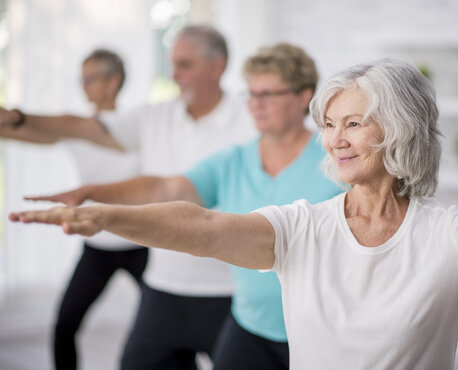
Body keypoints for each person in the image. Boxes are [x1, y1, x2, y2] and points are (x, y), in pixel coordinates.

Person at [9, 58, 458, 370]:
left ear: (401, 128)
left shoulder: (454, 236)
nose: (336, 140)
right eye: (330, 124)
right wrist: (109, 216)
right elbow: (202, 226)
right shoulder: (302, 227)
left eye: (355, 123)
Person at [22, 43, 343, 370]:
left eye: (269, 95)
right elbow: (166, 187)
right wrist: (92, 194)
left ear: (304, 96)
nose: (256, 105)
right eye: (252, 94)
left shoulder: (335, 160)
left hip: (318, 330)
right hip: (251, 325)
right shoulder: (233, 161)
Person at [2, 25, 255, 369]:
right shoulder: (154, 116)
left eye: (185, 65)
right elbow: (81, 127)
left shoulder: (252, 119)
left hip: (228, 291)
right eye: (172, 64)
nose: (174, 74)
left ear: (217, 66)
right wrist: (18, 118)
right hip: (163, 288)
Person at [0, 48, 147, 370]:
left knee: (166, 327)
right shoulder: (72, 129)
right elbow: (21, 131)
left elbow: (74, 125)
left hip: (141, 245)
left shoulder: (134, 123)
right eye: (81, 79)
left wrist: (16, 115)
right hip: (98, 245)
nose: (84, 85)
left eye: (90, 78)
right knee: (65, 325)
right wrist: (9, 121)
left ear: (114, 81)